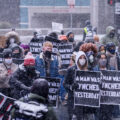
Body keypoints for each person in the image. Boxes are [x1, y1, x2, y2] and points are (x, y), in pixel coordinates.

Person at [64, 51, 95, 120]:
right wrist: (71, 87)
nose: (82, 60)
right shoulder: (71, 70)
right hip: (74, 101)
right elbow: (65, 84)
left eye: (84, 58)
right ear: (77, 59)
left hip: (87, 101)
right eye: (80, 58)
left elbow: (94, 83)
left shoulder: (90, 70)